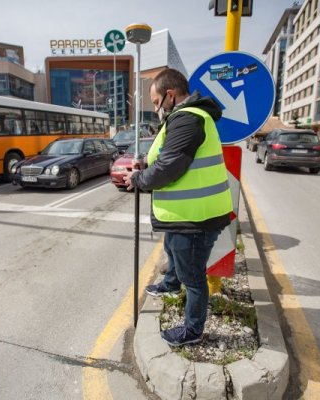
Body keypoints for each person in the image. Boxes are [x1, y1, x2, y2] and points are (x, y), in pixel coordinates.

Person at [123, 68, 233, 347]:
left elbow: (170, 167)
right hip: (186, 215)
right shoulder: (183, 117)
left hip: (197, 217)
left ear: (170, 95)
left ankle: (192, 331)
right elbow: (169, 157)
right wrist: (146, 165)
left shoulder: (187, 120)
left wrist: (138, 178)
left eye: (156, 101)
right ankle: (170, 284)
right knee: (172, 249)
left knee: (193, 277)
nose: (156, 107)